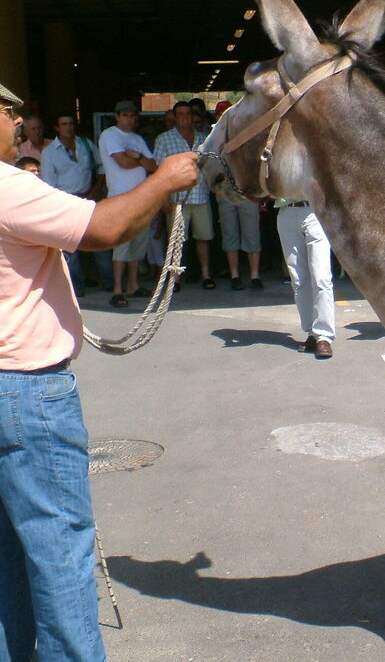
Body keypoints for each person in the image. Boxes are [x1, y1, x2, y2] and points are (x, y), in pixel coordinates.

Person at [0, 81, 198, 662]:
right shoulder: (9, 189)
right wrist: (163, 181)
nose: (17, 122)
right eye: (8, 112)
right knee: (58, 549)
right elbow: (105, 228)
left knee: (8, 559)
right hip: (27, 391)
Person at [99, 99, 159, 306]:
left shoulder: (137, 139)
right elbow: (122, 162)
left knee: (138, 244)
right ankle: (117, 289)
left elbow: (152, 165)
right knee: (122, 245)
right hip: (121, 198)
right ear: (117, 116)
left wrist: (138, 156)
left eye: (133, 115)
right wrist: (138, 159)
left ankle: (133, 285)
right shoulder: (109, 135)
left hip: (140, 198)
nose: (129, 119)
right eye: (125, 115)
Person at [40, 113, 105, 296]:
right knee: (70, 246)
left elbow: (101, 167)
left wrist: (96, 189)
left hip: (88, 197)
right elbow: (49, 183)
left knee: (99, 240)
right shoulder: (50, 151)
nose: (68, 127)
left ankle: (108, 281)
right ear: (57, 128)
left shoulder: (85, 144)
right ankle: (76, 287)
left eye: (70, 123)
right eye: (64, 124)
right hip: (66, 200)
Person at [155, 101, 215, 290]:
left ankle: (206, 274)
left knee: (203, 238)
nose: (185, 117)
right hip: (176, 199)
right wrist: (163, 197)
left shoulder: (204, 138)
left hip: (201, 195)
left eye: (187, 113)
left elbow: (210, 167)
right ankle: (175, 279)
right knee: (176, 241)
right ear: (174, 116)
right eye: (180, 114)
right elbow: (158, 170)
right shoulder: (164, 139)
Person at [275, 199, 335, 358]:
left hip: (312, 210)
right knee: (299, 281)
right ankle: (311, 333)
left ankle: (324, 336)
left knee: (321, 277)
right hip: (286, 212)